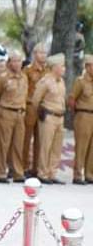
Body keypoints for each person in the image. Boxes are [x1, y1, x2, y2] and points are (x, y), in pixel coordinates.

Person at [0, 51, 28, 183]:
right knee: (3, 144)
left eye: (19, 61)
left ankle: (17, 172)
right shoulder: (3, 78)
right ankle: (1, 172)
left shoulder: (24, 77)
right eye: (14, 61)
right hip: (6, 111)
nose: (17, 64)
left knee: (18, 144)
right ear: (9, 62)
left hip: (20, 113)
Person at [32, 53, 67, 184]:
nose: (64, 69)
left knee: (56, 147)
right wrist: (42, 112)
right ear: (54, 67)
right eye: (62, 66)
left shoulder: (61, 81)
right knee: (46, 146)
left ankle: (52, 172)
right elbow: (36, 100)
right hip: (49, 116)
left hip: (59, 117)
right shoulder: (45, 81)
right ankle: (43, 173)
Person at [23, 42, 47, 177]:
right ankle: (24, 166)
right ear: (34, 54)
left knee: (40, 139)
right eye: (40, 52)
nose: (43, 55)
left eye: (44, 53)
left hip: (43, 108)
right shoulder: (28, 70)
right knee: (26, 138)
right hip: (30, 106)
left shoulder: (48, 71)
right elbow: (23, 89)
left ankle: (36, 168)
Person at [68, 54, 93, 185]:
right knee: (81, 146)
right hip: (83, 115)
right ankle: (78, 175)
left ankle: (89, 174)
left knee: (92, 147)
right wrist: (76, 113)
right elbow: (72, 99)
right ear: (88, 66)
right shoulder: (80, 81)